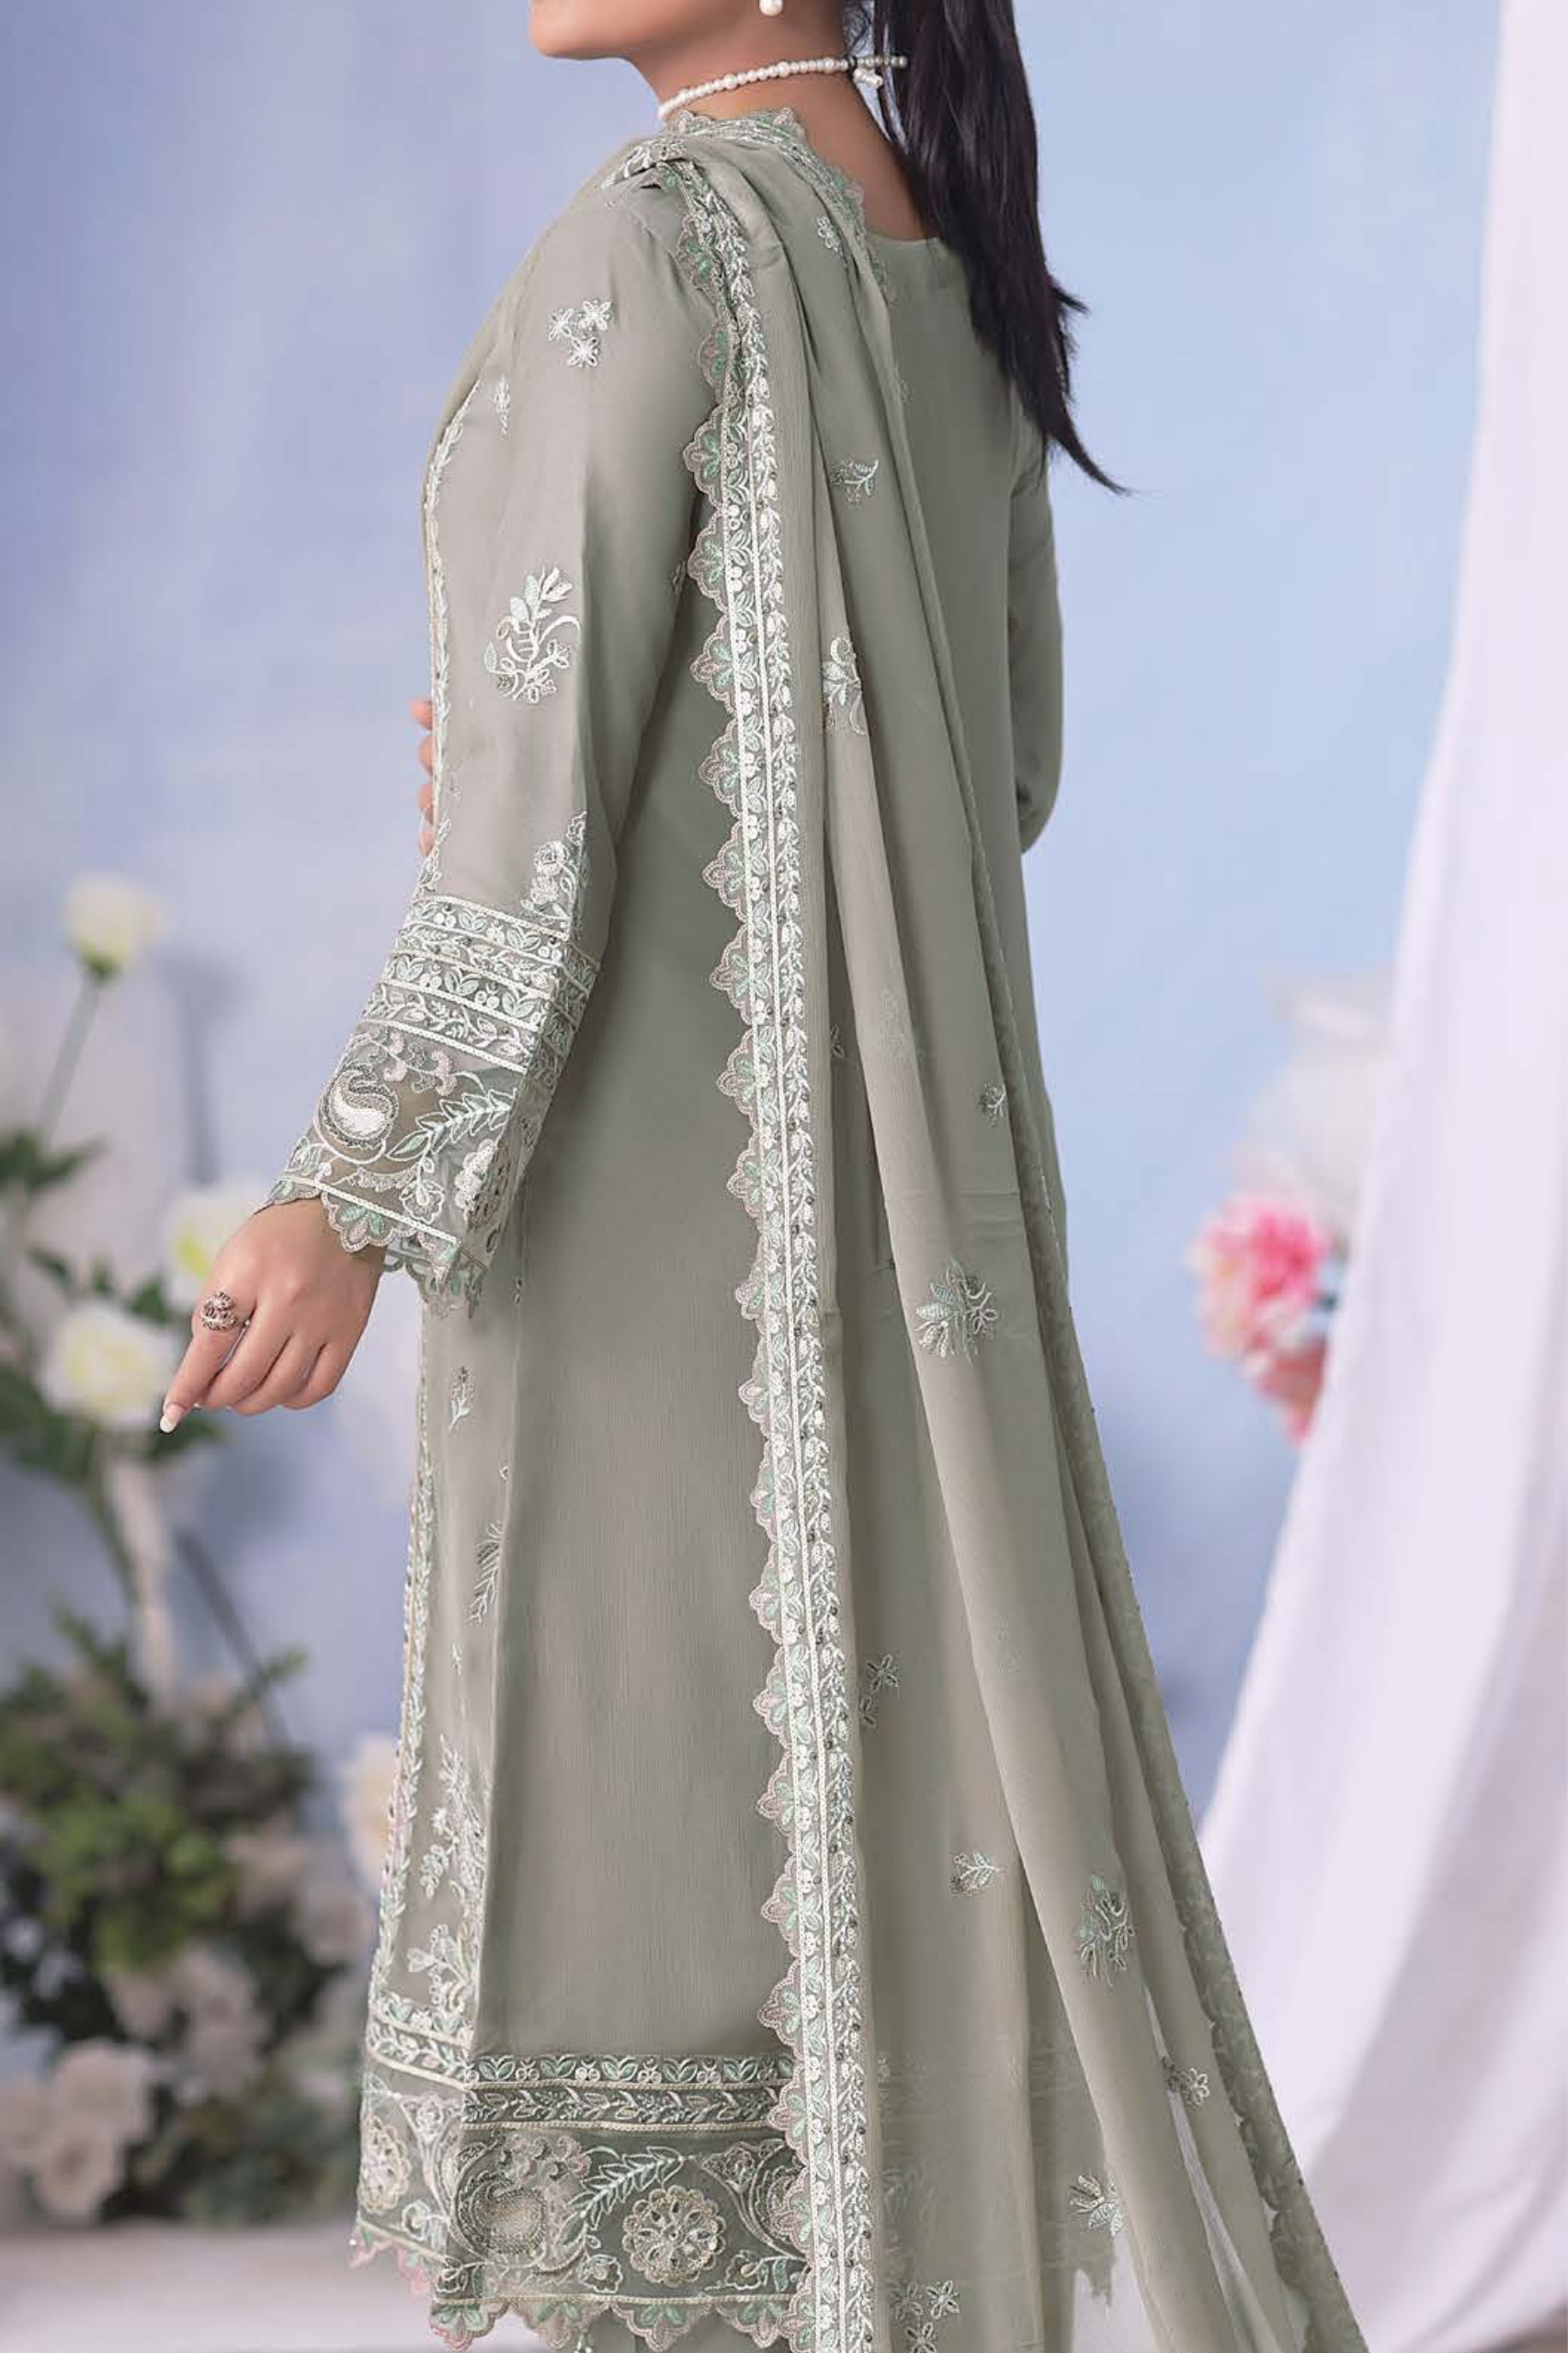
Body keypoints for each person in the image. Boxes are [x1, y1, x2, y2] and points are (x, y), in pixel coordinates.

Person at [160, 6, 1368, 2349]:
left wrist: (342, 1190)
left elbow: (525, 837)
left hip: (638, 1214)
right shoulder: (952, 257)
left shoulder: (652, 238)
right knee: (849, 1798)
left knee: (643, 1822)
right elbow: (1000, 771)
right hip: (901, 1206)